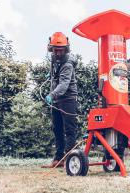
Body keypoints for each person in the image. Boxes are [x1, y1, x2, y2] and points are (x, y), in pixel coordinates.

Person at [42, 32, 78, 168]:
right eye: (55, 50)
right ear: (51, 49)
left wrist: (52, 95)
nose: (57, 53)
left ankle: (70, 160)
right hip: (57, 99)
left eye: (60, 50)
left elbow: (63, 85)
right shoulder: (54, 59)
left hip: (68, 99)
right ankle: (58, 159)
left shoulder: (68, 64)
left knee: (69, 130)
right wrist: (51, 75)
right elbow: (56, 77)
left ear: (66, 49)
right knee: (57, 129)